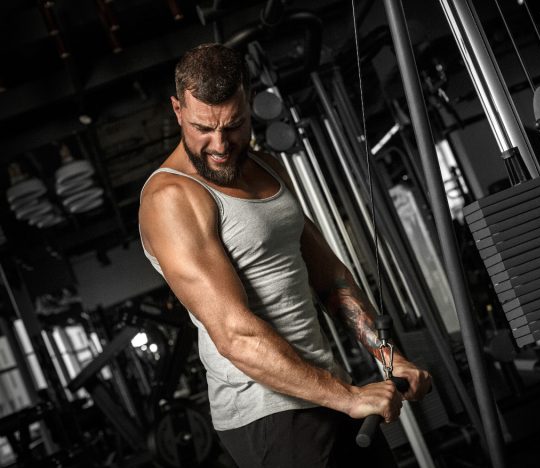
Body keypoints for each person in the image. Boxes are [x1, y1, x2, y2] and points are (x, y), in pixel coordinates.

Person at [138, 43, 432, 467]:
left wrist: (387, 356)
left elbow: (331, 278)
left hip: (326, 390)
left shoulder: (268, 166)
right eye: (203, 128)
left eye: (234, 125)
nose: (220, 144)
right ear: (178, 110)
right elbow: (235, 336)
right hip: (267, 413)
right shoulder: (172, 198)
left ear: (251, 104)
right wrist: (346, 397)